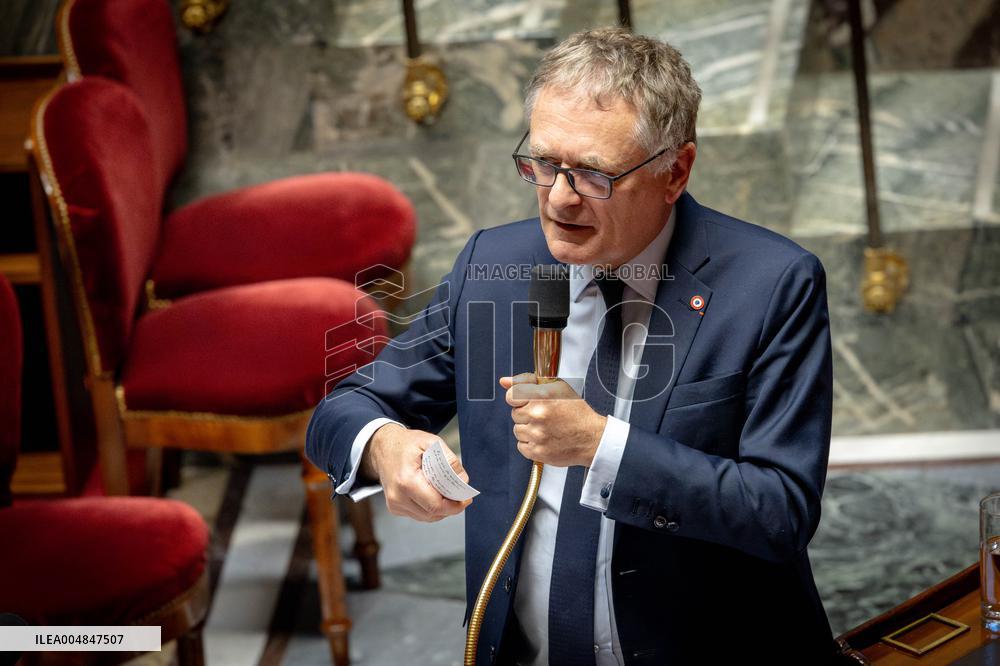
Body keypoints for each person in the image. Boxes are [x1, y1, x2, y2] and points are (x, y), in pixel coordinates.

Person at [307, 27, 837, 665]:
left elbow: (779, 511)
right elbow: (344, 411)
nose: (559, 198)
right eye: (544, 163)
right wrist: (385, 446)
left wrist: (599, 446)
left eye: (592, 175)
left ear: (677, 171)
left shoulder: (772, 284)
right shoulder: (493, 267)